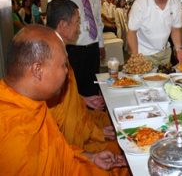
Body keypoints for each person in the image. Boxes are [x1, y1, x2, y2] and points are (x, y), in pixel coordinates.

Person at [0, 25, 127, 175]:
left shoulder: (31, 100)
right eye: (63, 65)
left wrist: (90, 158)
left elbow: (58, 149)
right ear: (37, 70)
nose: (67, 72)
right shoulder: (12, 136)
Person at [46, 0, 129, 175]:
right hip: (72, 143)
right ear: (62, 25)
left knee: (119, 120)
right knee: (124, 147)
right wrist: (97, 134)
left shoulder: (59, 49)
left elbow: (63, 100)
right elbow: (59, 121)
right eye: (77, 22)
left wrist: (82, 99)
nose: (80, 28)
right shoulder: (51, 59)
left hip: (82, 120)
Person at [55, 0, 105, 97]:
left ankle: (93, 116)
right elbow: (58, 26)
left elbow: (97, 21)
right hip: (74, 49)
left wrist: (100, 44)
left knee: (93, 84)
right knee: (75, 87)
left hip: (93, 47)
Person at [127, 0, 182, 65]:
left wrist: (178, 49)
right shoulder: (141, 4)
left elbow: (175, 29)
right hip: (144, 54)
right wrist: (135, 56)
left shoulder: (176, 3)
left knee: (165, 78)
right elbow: (132, 32)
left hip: (165, 52)